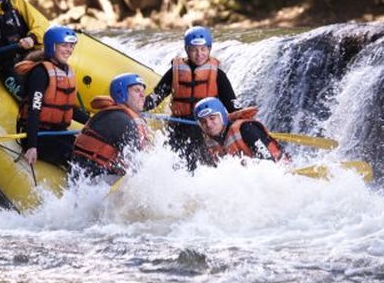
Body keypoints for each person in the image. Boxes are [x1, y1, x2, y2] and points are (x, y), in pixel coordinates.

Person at [143, 25, 240, 170]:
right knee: (174, 168)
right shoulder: (175, 72)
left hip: (206, 130)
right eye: (194, 49)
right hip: (179, 128)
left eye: (203, 49)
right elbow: (156, 97)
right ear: (187, 50)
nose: (199, 54)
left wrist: (244, 121)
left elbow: (232, 106)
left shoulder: (218, 75)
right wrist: (135, 105)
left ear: (209, 49)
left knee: (200, 168)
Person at [14, 26, 89, 168]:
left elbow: (68, 108)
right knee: (77, 159)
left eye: (71, 46)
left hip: (58, 133)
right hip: (39, 135)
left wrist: (92, 122)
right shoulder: (40, 73)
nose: (69, 50)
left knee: (88, 152)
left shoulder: (66, 70)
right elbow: (34, 110)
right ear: (51, 46)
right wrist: (31, 146)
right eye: (64, 45)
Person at [70, 73, 151, 181]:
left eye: (143, 91)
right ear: (121, 93)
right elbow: (139, 163)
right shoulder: (120, 119)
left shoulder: (119, 114)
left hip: (89, 179)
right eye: (137, 91)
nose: (142, 96)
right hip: (92, 182)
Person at [193, 97, 289, 164]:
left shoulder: (246, 128)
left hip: (282, 173)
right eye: (203, 122)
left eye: (212, 118)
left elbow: (269, 162)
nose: (209, 124)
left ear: (222, 116)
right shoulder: (209, 141)